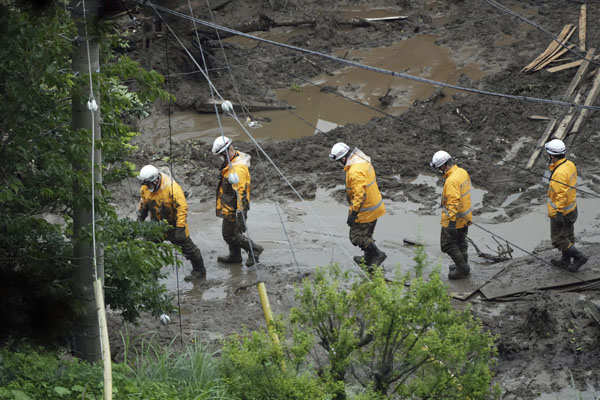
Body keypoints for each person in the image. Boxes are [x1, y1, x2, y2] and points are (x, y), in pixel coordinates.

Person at [137, 165, 206, 280]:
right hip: (156, 224)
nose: (147, 187)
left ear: (156, 180)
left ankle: (199, 270)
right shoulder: (145, 188)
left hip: (174, 224)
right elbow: (143, 204)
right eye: (146, 184)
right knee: (149, 248)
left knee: (189, 249)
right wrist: (140, 218)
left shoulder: (172, 188)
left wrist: (180, 228)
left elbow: (182, 208)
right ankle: (151, 272)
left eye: (149, 184)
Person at [329, 142, 386, 270]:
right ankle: (368, 259)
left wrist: (353, 214)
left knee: (356, 237)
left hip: (365, 210)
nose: (340, 163)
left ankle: (377, 255)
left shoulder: (354, 171)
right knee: (367, 234)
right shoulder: (361, 159)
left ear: (344, 158)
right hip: (374, 205)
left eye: (339, 161)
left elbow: (359, 196)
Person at [212, 136, 263, 267]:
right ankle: (235, 256)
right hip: (228, 203)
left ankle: (254, 249)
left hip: (234, 207)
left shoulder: (237, 169)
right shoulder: (233, 159)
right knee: (233, 232)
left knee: (229, 235)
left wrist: (240, 214)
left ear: (228, 151)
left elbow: (242, 194)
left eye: (221, 156)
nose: (220, 159)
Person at [544, 139, 588, 271]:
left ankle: (579, 257)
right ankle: (565, 260)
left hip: (561, 211)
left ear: (552, 155)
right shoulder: (569, 165)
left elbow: (561, 195)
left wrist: (557, 212)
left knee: (559, 239)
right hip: (571, 208)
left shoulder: (559, 173)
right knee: (568, 235)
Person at [430, 150, 472, 280]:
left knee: (447, 245)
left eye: (438, 168)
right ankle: (463, 265)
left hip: (454, 220)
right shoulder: (462, 172)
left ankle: (462, 269)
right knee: (461, 242)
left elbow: (453, 203)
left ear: (443, 166)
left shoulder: (451, 181)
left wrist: (451, 224)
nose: (439, 171)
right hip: (465, 216)